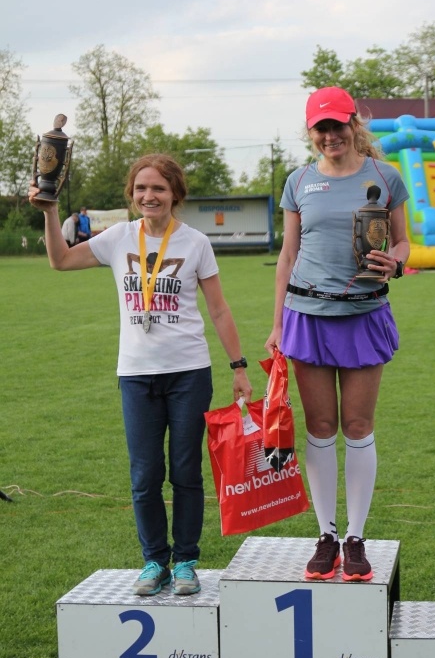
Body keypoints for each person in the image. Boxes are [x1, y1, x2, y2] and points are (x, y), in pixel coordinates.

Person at [29, 154, 252, 597]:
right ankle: (154, 561)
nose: (149, 196)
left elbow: (219, 309)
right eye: (141, 189)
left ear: (175, 194)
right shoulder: (119, 238)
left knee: (186, 471)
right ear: (132, 195)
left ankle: (185, 561)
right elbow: (60, 260)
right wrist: (51, 212)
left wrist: (239, 367)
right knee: (145, 475)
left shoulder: (195, 243)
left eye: (159, 188)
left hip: (188, 372)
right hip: (135, 374)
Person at [265, 87, 410, 583]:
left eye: (337, 125)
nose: (330, 135)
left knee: (358, 426)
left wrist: (396, 262)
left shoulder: (385, 177)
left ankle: (355, 538)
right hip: (306, 315)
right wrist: (278, 324)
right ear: (311, 132)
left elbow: (404, 242)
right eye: (320, 128)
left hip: (364, 314)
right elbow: (287, 255)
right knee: (321, 427)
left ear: (353, 124)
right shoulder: (298, 181)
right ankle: (326, 535)